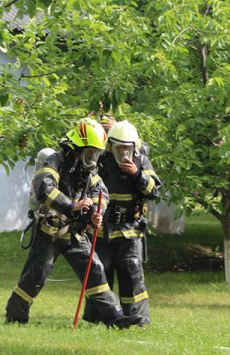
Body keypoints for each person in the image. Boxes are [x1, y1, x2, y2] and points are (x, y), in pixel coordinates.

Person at [5, 117, 142, 328]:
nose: (94, 159)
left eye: (96, 153)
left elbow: (101, 192)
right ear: (77, 147)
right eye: (90, 153)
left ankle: (115, 318)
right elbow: (44, 189)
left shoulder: (88, 169)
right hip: (50, 230)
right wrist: (71, 206)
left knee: (95, 271)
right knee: (36, 275)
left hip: (76, 233)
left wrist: (98, 211)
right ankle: (15, 317)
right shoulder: (55, 161)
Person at [82, 120, 162, 326]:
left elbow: (154, 191)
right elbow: (87, 187)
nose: (123, 153)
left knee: (131, 270)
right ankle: (98, 317)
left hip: (130, 230)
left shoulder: (142, 161)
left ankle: (138, 319)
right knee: (100, 272)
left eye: (127, 148)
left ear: (134, 147)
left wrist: (136, 174)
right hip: (102, 230)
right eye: (119, 148)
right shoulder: (101, 161)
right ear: (110, 146)